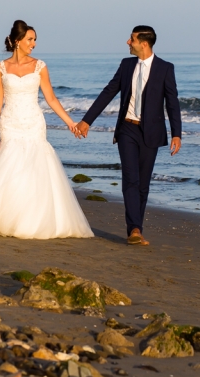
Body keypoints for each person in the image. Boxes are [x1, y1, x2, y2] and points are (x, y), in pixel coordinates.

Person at [0, 20, 94, 239]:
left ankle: (32, 219)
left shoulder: (40, 66)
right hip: (10, 121)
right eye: (30, 39)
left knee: (35, 167)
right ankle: (4, 217)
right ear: (18, 41)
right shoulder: (0, 68)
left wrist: (70, 123)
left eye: (34, 40)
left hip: (33, 121)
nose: (33, 44)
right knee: (10, 167)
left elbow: (51, 98)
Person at [75, 26, 181, 246]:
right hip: (127, 129)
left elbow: (172, 103)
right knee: (130, 179)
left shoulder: (165, 68)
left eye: (131, 39)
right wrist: (87, 120)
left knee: (143, 184)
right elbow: (108, 92)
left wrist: (176, 134)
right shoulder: (126, 65)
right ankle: (134, 229)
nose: (127, 42)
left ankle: (137, 228)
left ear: (144, 43)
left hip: (151, 132)